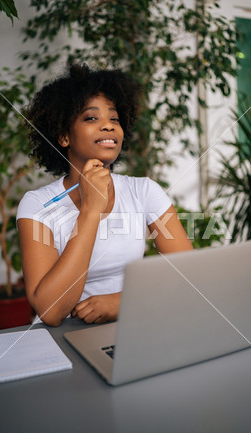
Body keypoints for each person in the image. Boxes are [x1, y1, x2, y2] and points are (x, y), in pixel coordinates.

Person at [17, 64, 193, 327]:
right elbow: (51, 312)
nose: (109, 127)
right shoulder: (36, 205)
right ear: (64, 136)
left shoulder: (144, 191)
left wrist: (122, 303)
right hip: (66, 335)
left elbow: (189, 275)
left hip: (135, 322)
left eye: (114, 119)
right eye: (91, 118)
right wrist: (91, 210)